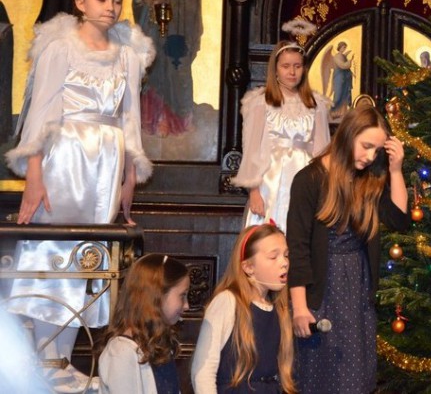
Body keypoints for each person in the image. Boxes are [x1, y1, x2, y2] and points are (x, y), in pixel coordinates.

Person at [4, 0, 154, 393]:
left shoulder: (127, 55)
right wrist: (34, 175)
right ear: (81, 3)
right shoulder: (61, 48)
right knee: (54, 248)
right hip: (66, 157)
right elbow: (41, 113)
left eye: (116, 0)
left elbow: (129, 118)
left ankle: (61, 359)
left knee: (87, 256)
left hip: (105, 163)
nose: (110, 7)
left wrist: (129, 174)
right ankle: (41, 360)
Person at [287, 106, 410, 394]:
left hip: (357, 289)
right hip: (321, 291)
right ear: (347, 135)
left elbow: (400, 220)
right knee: (317, 378)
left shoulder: (369, 180)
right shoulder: (309, 179)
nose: (370, 156)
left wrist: (395, 170)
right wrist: (300, 307)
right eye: (366, 146)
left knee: (354, 380)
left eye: (377, 150)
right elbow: (297, 246)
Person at [232, 40, 331, 231]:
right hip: (270, 182)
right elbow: (251, 148)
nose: (292, 72)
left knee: (302, 230)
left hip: (305, 179)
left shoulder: (315, 104)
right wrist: (254, 192)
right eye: (286, 66)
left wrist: (324, 190)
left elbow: (322, 151)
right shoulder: (261, 102)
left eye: (297, 66)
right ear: (275, 69)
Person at [191, 224, 296, 394]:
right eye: (273, 257)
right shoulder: (227, 302)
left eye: (286, 255)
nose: (284, 263)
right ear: (248, 267)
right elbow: (202, 372)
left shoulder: (279, 309)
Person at [140, 0, 203, 137]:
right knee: (155, 70)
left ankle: (182, 120)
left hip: (178, 31)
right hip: (153, 28)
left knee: (178, 70)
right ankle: (156, 119)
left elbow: (190, 4)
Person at [98, 254, 190, 394]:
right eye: (182, 295)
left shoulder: (158, 345)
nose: (187, 305)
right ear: (157, 296)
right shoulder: (122, 352)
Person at [329, 41, 354, 119]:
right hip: (339, 78)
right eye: (343, 47)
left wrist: (347, 55)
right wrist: (349, 61)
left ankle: (343, 112)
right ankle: (334, 112)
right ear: (339, 48)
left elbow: (343, 58)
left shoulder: (342, 56)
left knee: (345, 94)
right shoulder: (336, 57)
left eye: (345, 47)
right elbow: (342, 65)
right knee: (338, 94)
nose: (344, 49)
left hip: (345, 78)